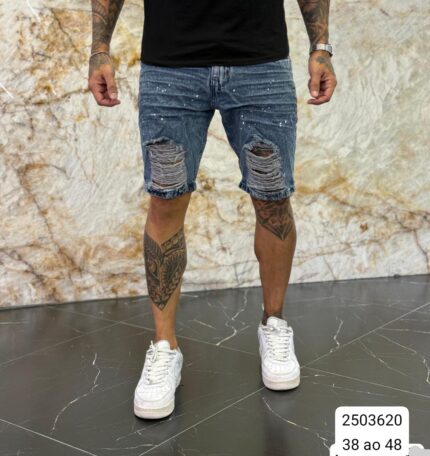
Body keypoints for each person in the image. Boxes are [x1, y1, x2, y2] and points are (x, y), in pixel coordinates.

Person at [88, 0, 337, 420]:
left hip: (261, 61)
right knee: (166, 201)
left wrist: (321, 47)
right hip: (170, 65)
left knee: (273, 197)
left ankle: (274, 325)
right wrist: (99, 49)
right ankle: (164, 347)